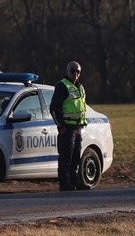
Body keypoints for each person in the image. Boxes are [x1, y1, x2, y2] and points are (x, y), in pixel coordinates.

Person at [49, 61, 88, 191]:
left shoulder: (79, 87)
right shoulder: (62, 86)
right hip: (67, 128)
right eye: (73, 71)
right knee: (66, 156)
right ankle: (64, 183)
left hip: (77, 127)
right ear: (67, 71)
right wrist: (61, 126)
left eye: (78, 71)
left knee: (76, 156)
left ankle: (74, 180)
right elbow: (54, 108)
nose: (75, 74)